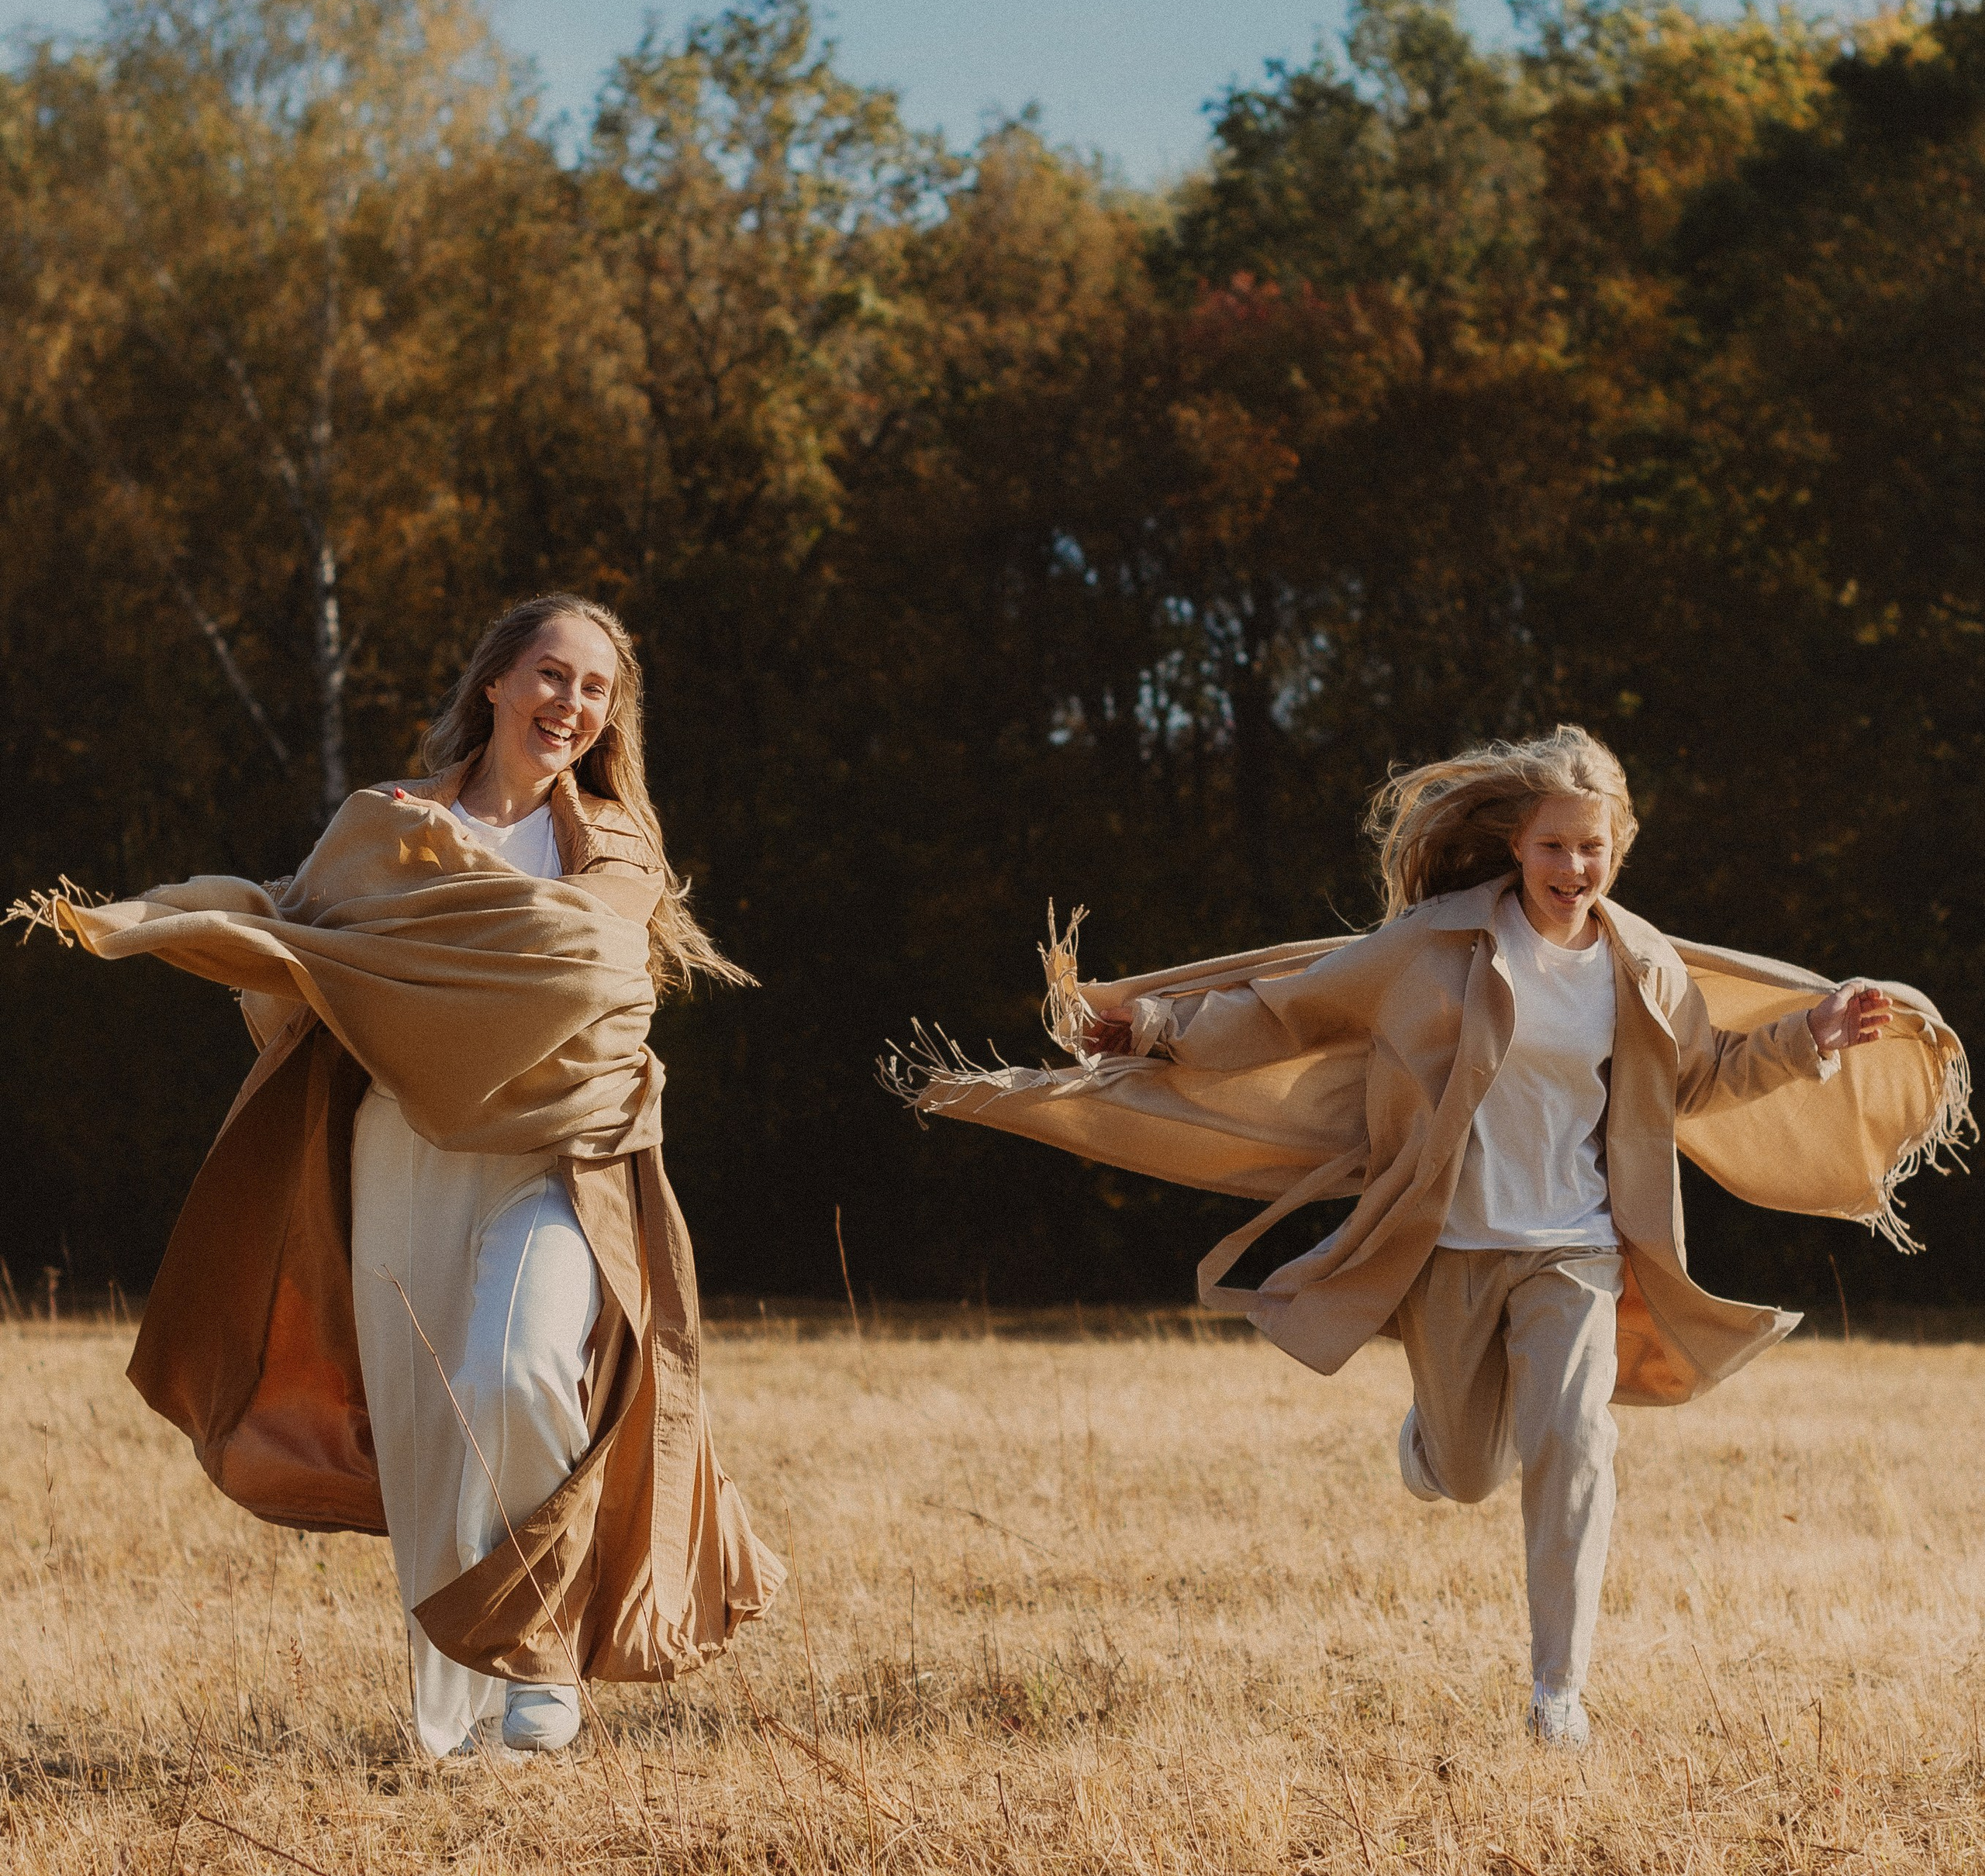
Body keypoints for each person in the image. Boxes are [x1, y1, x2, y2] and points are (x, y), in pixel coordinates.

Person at [892, 726, 1967, 1750]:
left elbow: (1701, 1079)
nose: (1574, 867)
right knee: (1464, 1473)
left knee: (1575, 1440)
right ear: (1518, 845)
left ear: (1620, 848)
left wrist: (1809, 1037)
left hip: (1579, 1246)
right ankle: (1430, 1443)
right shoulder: (1433, 942)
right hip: (1451, 1241)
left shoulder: (1642, 964)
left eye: (1593, 847)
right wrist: (1160, 1025)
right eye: (1554, 845)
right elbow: (1293, 1009)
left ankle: (1559, 1695)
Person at [15, 593, 782, 1757]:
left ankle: (539, 1660)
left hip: (558, 1153)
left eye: (596, 689)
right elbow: (300, 939)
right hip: (404, 1155)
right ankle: (457, 1726)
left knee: (518, 1371)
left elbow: (585, 965)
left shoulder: (616, 842)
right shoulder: (382, 823)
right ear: (497, 683)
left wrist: (415, 958)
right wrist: (180, 925)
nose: (570, 703)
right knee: (431, 1438)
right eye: (552, 674)